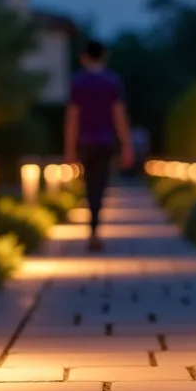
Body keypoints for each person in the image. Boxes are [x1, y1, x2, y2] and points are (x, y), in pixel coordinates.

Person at [64, 40, 134, 252]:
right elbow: (119, 116)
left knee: (89, 186)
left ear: (84, 57)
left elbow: (72, 118)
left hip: (86, 142)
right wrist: (127, 146)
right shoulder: (112, 82)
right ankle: (95, 229)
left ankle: (92, 229)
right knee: (101, 185)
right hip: (106, 142)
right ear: (105, 56)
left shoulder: (78, 82)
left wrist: (69, 150)